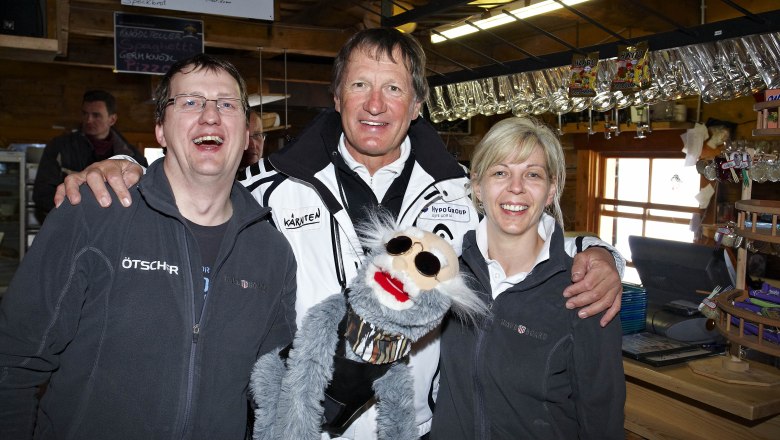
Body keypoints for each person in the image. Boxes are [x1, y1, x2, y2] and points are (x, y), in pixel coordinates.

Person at [55, 29, 624, 439]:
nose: (375, 105)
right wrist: (125, 171)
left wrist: (595, 252)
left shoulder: (462, 196)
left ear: (418, 105)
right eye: (359, 86)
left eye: (394, 89)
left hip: (417, 428)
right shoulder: (269, 191)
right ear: (336, 98)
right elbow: (191, 200)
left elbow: (523, 233)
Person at [0, 54, 297, 439]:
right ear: (160, 129)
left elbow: (272, 392)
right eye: (189, 102)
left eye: (227, 104)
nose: (210, 116)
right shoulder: (94, 213)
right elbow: (13, 364)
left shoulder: (272, 252)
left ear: (246, 134)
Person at [430, 117, 625, 439]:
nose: (516, 188)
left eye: (532, 174)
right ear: (477, 185)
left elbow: (602, 421)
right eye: (500, 172)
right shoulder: (446, 273)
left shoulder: (584, 290)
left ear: (551, 189)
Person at [33, 90, 148, 221]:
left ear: (112, 119)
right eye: (85, 114)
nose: (88, 120)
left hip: (114, 227)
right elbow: (42, 194)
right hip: (70, 224)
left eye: (96, 115)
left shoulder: (133, 156)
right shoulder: (59, 147)